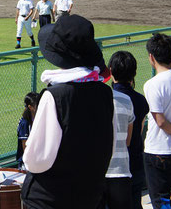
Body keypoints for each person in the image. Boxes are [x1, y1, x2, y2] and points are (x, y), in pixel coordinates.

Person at [22, 15, 114, 209]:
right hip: (89, 195)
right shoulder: (105, 93)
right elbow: (108, 148)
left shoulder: (55, 95)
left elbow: (35, 160)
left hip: (50, 198)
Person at [109, 51, 149, 209]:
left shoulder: (108, 98)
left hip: (113, 166)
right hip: (136, 162)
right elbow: (138, 132)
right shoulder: (140, 100)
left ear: (110, 71)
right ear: (134, 72)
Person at [143, 33, 171, 209]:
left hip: (158, 150)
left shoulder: (152, 85)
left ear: (151, 57)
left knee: (161, 200)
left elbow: (161, 122)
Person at [103, 51, 138, 209]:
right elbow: (128, 140)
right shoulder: (127, 100)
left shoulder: (94, 99)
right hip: (121, 170)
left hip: (98, 170)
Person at [16, 92, 39, 170]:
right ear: (30, 107)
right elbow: (25, 147)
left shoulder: (38, 118)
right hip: (26, 162)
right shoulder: (25, 123)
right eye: (37, 105)